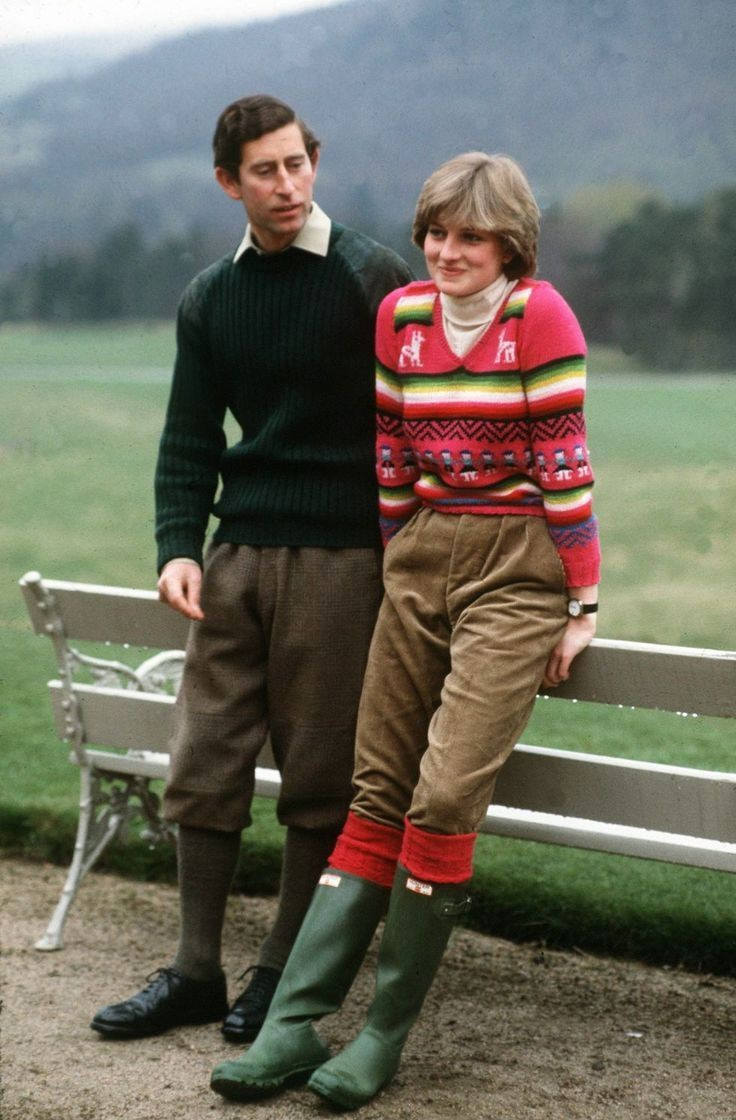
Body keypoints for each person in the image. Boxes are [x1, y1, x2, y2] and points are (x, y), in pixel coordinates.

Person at [209, 150, 601, 1108]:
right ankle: (295, 1024)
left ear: (510, 243)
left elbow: (564, 462)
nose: (446, 250)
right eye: (436, 231)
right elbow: (390, 452)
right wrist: (400, 561)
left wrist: (582, 601)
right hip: (420, 554)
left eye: (470, 236)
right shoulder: (401, 317)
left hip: (517, 567)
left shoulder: (537, 315)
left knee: (444, 794)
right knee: (376, 785)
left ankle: (380, 1034)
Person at [90, 94, 412, 1044]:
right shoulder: (210, 296)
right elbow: (189, 435)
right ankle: (195, 971)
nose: (287, 184)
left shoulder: (370, 277)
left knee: (320, 771)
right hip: (233, 560)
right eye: (264, 171)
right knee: (204, 758)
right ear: (228, 183)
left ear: (315, 161)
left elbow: (414, 421)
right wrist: (177, 547)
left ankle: (280, 973)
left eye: (297, 164)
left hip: (343, 562)